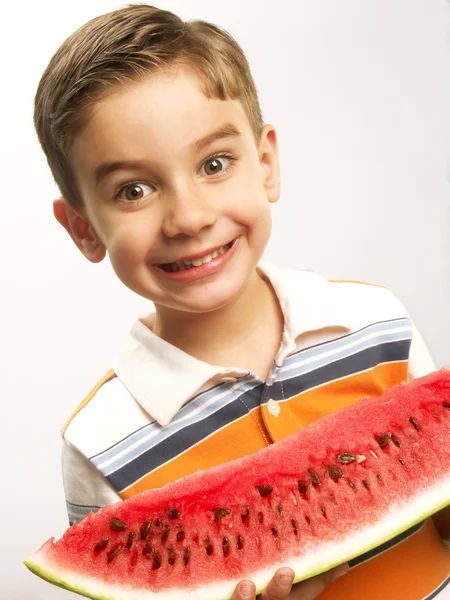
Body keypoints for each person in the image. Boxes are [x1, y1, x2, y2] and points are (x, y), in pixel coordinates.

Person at [33, 4, 450, 599]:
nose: (190, 217)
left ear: (267, 164)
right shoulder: (100, 442)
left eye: (214, 164)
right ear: (83, 229)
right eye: (133, 190)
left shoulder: (376, 321)